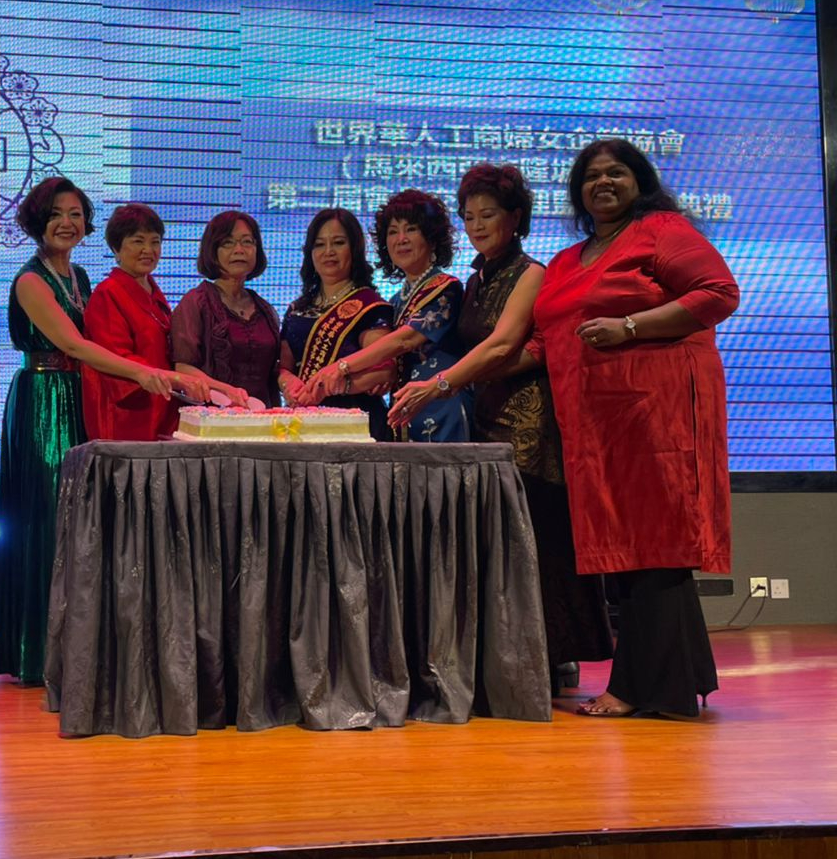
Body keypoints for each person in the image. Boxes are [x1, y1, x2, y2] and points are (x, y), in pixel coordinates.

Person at [390, 164, 613, 692]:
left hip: (528, 423)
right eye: (468, 216)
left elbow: (502, 344)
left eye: (488, 215)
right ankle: (509, 657)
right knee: (499, 545)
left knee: (538, 540)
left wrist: (438, 385)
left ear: (516, 217)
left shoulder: (531, 272)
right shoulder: (474, 278)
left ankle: (557, 656)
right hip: (482, 420)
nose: (476, 225)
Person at [534, 139, 737, 719]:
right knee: (633, 548)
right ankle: (682, 678)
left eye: (616, 173)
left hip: (657, 410)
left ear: (638, 181)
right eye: (590, 176)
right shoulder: (570, 259)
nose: (602, 183)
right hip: (599, 423)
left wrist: (629, 326)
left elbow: (718, 293)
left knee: (656, 543)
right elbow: (544, 337)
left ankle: (644, 690)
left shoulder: (660, 230)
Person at [0, 179, 182, 685]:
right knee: (49, 519)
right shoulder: (31, 280)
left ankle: (78, 650)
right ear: (37, 220)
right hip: (44, 400)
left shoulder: (78, 274)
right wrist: (136, 370)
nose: (67, 223)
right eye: (56, 214)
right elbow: (73, 346)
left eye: (76, 214)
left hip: (81, 399)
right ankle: (38, 654)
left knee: (81, 524)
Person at [306, 190, 469, 442]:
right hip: (403, 417)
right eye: (393, 232)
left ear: (432, 238)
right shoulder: (396, 300)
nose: (401, 239)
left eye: (411, 229)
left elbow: (405, 340)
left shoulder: (446, 287)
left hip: (440, 411)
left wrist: (342, 367)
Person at [82, 203, 210, 440]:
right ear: (116, 247)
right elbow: (117, 358)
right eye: (138, 241)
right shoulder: (107, 293)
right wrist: (178, 380)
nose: (148, 250)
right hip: (127, 415)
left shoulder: (153, 291)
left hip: (161, 407)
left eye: (155, 241)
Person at [278, 208, 395, 440]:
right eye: (319, 244)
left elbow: (384, 371)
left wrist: (334, 386)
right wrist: (287, 383)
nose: (328, 252)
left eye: (338, 243)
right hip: (303, 421)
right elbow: (283, 366)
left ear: (354, 249)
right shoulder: (297, 308)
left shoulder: (370, 305)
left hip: (355, 423)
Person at [172, 210, 281, 408]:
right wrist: (225, 390)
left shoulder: (265, 309)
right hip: (212, 423)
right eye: (227, 243)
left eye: (247, 242)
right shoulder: (196, 302)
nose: (239, 250)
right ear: (212, 251)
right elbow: (182, 367)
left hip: (263, 423)